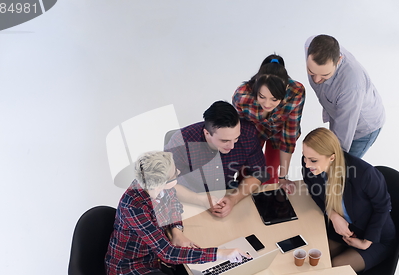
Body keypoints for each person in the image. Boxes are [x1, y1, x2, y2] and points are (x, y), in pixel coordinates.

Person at [105, 151, 248, 275]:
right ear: (160, 182)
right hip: (129, 271)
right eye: (175, 173)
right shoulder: (134, 207)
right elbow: (168, 254)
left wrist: (176, 231)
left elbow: (173, 207)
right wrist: (221, 253)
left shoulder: (159, 188)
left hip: (152, 260)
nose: (179, 172)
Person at [301, 128, 395, 272]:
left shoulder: (364, 174)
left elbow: (383, 207)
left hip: (375, 238)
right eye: (304, 157)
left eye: (313, 160)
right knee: (313, 257)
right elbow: (315, 192)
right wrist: (332, 215)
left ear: (331, 157)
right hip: (343, 232)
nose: (307, 165)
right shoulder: (311, 167)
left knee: (336, 267)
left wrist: (366, 242)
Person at [164, 101, 268, 218]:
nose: (232, 146)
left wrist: (234, 198)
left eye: (236, 138)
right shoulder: (180, 141)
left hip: (227, 192)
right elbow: (166, 183)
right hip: (190, 197)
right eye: (224, 141)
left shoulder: (248, 133)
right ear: (207, 133)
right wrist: (201, 200)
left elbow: (259, 174)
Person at [233, 54, 305, 193]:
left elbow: (289, 136)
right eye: (262, 97)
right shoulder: (242, 96)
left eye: (274, 99)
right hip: (252, 132)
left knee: (271, 172)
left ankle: (269, 203)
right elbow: (241, 135)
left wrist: (283, 177)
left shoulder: (296, 92)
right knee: (248, 172)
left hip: (280, 132)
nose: (267, 104)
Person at [305, 35, 385, 158]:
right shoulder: (310, 45)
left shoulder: (351, 86)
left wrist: (333, 160)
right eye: (311, 72)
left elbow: (341, 140)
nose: (316, 79)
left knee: (342, 169)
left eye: (324, 75)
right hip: (339, 114)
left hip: (361, 129)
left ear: (338, 61)